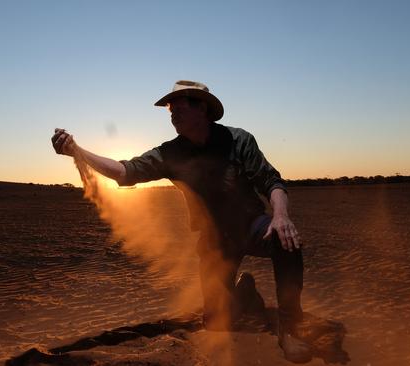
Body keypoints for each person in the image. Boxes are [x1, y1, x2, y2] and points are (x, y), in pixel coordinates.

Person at [51, 80, 311, 363]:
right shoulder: (170, 153)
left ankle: (291, 328)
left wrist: (281, 216)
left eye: (179, 106)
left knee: (286, 241)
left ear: (203, 108)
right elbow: (126, 171)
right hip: (215, 241)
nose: (172, 112)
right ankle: (244, 290)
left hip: (251, 226)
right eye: (170, 108)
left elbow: (271, 181)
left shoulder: (238, 140)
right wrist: (78, 151)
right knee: (215, 322)